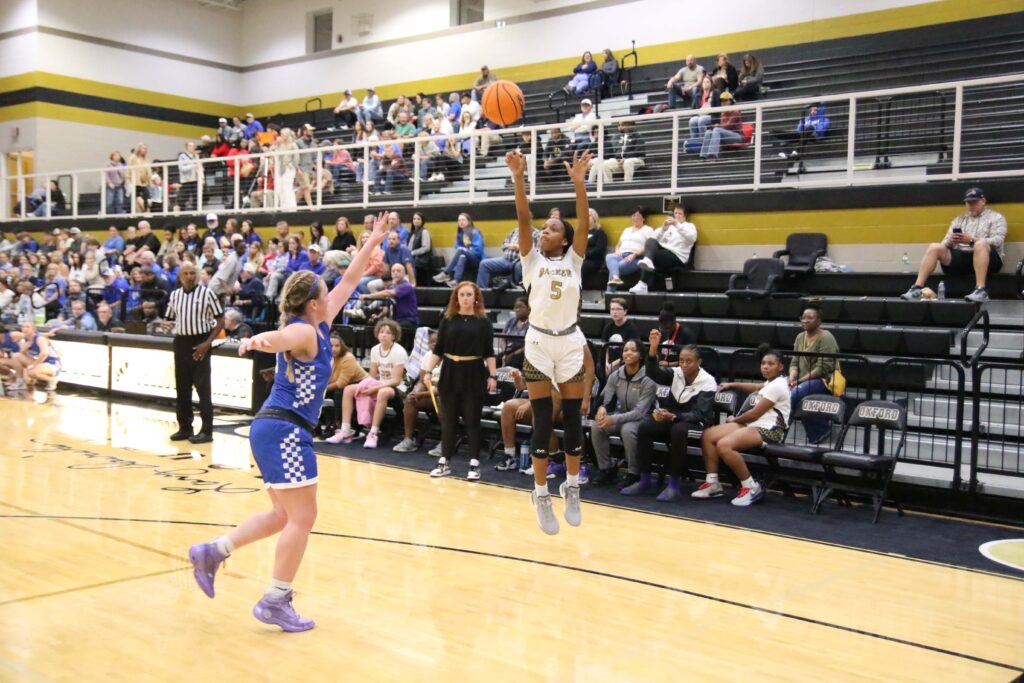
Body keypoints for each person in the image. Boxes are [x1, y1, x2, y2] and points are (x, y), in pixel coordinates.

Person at [187, 214, 389, 632]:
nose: (329, 290)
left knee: (283, 515)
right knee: (303, 518)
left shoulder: (317, 320)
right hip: (285, 431)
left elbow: (350, 280)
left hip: (273, 429)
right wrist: (253, 340)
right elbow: (277, 340)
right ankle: (276, 599)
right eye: (322, 288)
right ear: (313, 301)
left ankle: (214, 551)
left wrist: (371, 242)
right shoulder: (302, 331)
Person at [507, 146, 592, 534]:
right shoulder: (532, 261)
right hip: (539, 344)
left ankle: (571, 487)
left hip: (571, 343)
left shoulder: (574, 260)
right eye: (545, 228)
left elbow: (583, 222)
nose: (545, 231)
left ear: (566, 240)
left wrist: (579, 184)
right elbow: (524, 217)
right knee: (543, 422)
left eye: (554, 228)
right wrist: (519, 179)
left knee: (573, 422)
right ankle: (540, 493)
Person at [622, 337, 717, 500]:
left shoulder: (708, 382)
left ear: (699, 361)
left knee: (678, 431)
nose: (684, 365)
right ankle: (644, 479)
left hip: (697, 424)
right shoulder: (676, 373)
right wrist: (652, 351)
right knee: (645, 426)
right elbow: (653, 373)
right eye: (681, 360)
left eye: (689, 361)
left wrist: (673, 416)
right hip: (674, 417)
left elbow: (700, 414)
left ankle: (673, 484)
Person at [419, 282, 497, 480]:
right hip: (450, 372)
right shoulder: (448, 319)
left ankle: (474, 464)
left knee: (472, 420)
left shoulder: (483, 321)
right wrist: (428, 370)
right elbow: (439, 349)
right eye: (461, 294)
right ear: (456, 297)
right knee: (449, 421)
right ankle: (444, 461)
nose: (465, 298)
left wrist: (493, 376)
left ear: (475, 297)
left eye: (469, 294)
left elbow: (489, 352)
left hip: (474, 373)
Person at [696, 344, 790, 506]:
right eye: (763, 363)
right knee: (709, 435)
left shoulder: (779, 385)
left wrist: (735, 420)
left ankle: (751, 487)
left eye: (770, 364)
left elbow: (754, 414)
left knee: (724, 445)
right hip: (754, 425)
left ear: (780, 366)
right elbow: (755, 387)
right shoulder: (771, 383)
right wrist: (732, 385)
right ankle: (713, 483)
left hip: (771, 430)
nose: (765, 367)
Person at [900, 187, 1007, 303]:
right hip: (961, 257)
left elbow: (998, 240)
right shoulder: (959, 220)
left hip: (989, 258)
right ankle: (917, 288)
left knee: (980, 244)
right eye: (968, 202)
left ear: (983, 201)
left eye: (974, 202)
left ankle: (981, 290)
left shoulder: (996, 218)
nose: (971, 205)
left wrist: (972, 240)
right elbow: (944, 243)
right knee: (934, 247)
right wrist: (951, 241)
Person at [165, 262, 225, 444]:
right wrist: (165, 324)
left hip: (201, 341)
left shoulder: (207, 294)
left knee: (203, 389)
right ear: (180, 276)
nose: (190, 276)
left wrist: (207, 343)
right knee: (182, 388)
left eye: (193, 273)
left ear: (197, 275)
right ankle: (185, 427)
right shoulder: (174, 295)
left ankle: (207, 430)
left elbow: (220, 320)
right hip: (181, 342)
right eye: (186, 273)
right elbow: (168, 319)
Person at [590, 339, 657, 487]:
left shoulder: (649, 378)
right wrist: (602, 409)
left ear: (640, 355)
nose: (628, 353)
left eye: (633, 350)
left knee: (628, 429)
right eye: (626, 350)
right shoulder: (616, 375)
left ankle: (634, 472)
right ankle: (605, 469)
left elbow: (640, 412)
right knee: (597, 426)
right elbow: (605, 399)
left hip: (645, 419)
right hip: (622, 416)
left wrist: (613, 418)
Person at [336, 319, 408, 449]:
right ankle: (345, 429)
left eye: (387, 333)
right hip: (380, 383)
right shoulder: (375, 349)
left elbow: (397, 380)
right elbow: (372, 375)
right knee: (348, 390)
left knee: (382, 392)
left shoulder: (399, 351)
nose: (384, 335)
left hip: (398, 387)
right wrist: (366, 386)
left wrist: (375, 388)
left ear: (394, 336)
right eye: (381, 332)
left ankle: (373, 433)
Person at [789, 305, 840, 444]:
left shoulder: (826, 337)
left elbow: (821, 368)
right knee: (781, 389)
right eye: (803, 318)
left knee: (795, 394)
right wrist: (792, 377)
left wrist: (799, 382)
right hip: (803, 381)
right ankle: (820, 432)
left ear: (819, 321)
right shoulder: (800, 337)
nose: (805, 320)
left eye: (810, 318)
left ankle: (779, 429)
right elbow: (794, 362)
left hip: (823, 382)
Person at [630, 203, 698, 294]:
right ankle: (647, 263)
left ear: (685, 215)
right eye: (675, 213)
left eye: (679, 213)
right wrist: (663, 229)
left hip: (677, 257)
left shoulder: (689, 226)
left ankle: (642, 284)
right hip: (665, 252)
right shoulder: (670, 227)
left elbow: (692, 238)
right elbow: (654, 238)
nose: (677, 215)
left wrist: (677, 224)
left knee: (652, 256)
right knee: (650, 241)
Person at [391, 332, 439, 453]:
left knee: (442, 400)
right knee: (410, 399)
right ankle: (409, 440)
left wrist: (421, 394)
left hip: (446, 396)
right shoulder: (428, 356)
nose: (434, 345)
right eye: (431, 342)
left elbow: (444, 388)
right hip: (429, 394)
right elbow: (423, 380)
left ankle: (446, 442)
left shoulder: (450, 357)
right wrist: (415, 392)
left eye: (437, 342)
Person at [323, 332, 368, 440]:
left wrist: (321, 389)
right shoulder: (325, 357)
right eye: (331, 346)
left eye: (337, 346)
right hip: (341, 385)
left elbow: (341, 383)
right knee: (315, 393)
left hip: (360, 383)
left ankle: (339, 426)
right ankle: (315, 425)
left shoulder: (348, 357)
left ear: (342, 346)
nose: (333, 348)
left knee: (339, 392)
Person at [605, 205, 653, 289]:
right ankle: (616, 278)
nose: (635, 218)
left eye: (638, 215)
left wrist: (634, 254)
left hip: (635, 258)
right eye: (633, 215)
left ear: (643, 218)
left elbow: (649, 246)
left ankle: (609, 294)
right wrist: (617, 250)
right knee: (609, 256)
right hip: (621, 255)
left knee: (616, 267)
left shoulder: (648, 230)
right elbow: (618, 244)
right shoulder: (626, 230)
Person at [476, 225, 537, 290]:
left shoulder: (535, 233)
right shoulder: (515, 231)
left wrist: (520, 248)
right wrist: (509, 246)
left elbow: (536, 250)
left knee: (517, 267)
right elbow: (504, 245)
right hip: (507, 259)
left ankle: (517, 291)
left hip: (522, 260)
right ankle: (481, 291)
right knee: (484, 263)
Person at [433, 213, 484, 286]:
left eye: (463, 220)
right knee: (462, 256)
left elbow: (478, 251)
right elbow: (457, 246)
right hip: (466, 259)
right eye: (459, 220)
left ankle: (446, 273)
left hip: (476, 259)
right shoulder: (460, 234)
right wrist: (464, 251)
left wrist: (466, 250)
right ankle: (456, 280)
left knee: (461, 250)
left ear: (469, 221)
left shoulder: (475, 233)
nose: (461, 222)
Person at [588, 120, 646, 185]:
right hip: (620, 161)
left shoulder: (638, 136)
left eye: (622, 125)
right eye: (619, 125)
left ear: (629, 126)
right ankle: (608, 186)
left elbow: (638, 151)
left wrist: (625, 158)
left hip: (636, 159)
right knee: (605, 165)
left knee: (627, 162)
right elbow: (614, 151)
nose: (619, 127)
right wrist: (617, 159)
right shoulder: (616, 137)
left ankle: (627, 185)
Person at [17, 320, 60, 397]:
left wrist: (33, 365)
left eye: (27, 327)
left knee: (32, 372)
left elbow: (44, 353)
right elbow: (21, 354)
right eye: (23, 327)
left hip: (52, 363)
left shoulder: (40, 338)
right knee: (17, 356)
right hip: (40, 363)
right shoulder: (26, 339)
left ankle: (52, 379)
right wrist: (25, 347)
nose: (25, 329)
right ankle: (22, 380)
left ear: (33, 329)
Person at [601, 298, 641, 377]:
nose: (615, 312)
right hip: (609, 363)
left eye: (618, 309)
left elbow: (633, 352)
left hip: (624, 362)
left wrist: (613, 364)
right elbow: (605, 349)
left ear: (625, 311)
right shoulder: (608, 328)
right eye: (612, 309)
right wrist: (605, 363)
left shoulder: (632, 329)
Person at [500, 297, 530, 369]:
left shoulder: (531, 323)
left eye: (521, 307)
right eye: (516, 307)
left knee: (512, 364)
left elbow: (528, 345)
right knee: (493, 362)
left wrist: (512, 354)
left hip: (521, 353)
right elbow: (503, 338)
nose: (518, 310)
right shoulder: (511, 321)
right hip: (508, 351)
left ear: (528, 309)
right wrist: (505, 353)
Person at [581, 208, 608, 285]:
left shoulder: (600, 233)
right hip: (581, 259)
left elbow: (600, 249)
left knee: (580, 267)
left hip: (594, 260)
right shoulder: (581, 232)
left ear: (594, 218)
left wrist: (585, 255)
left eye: (588, 215)